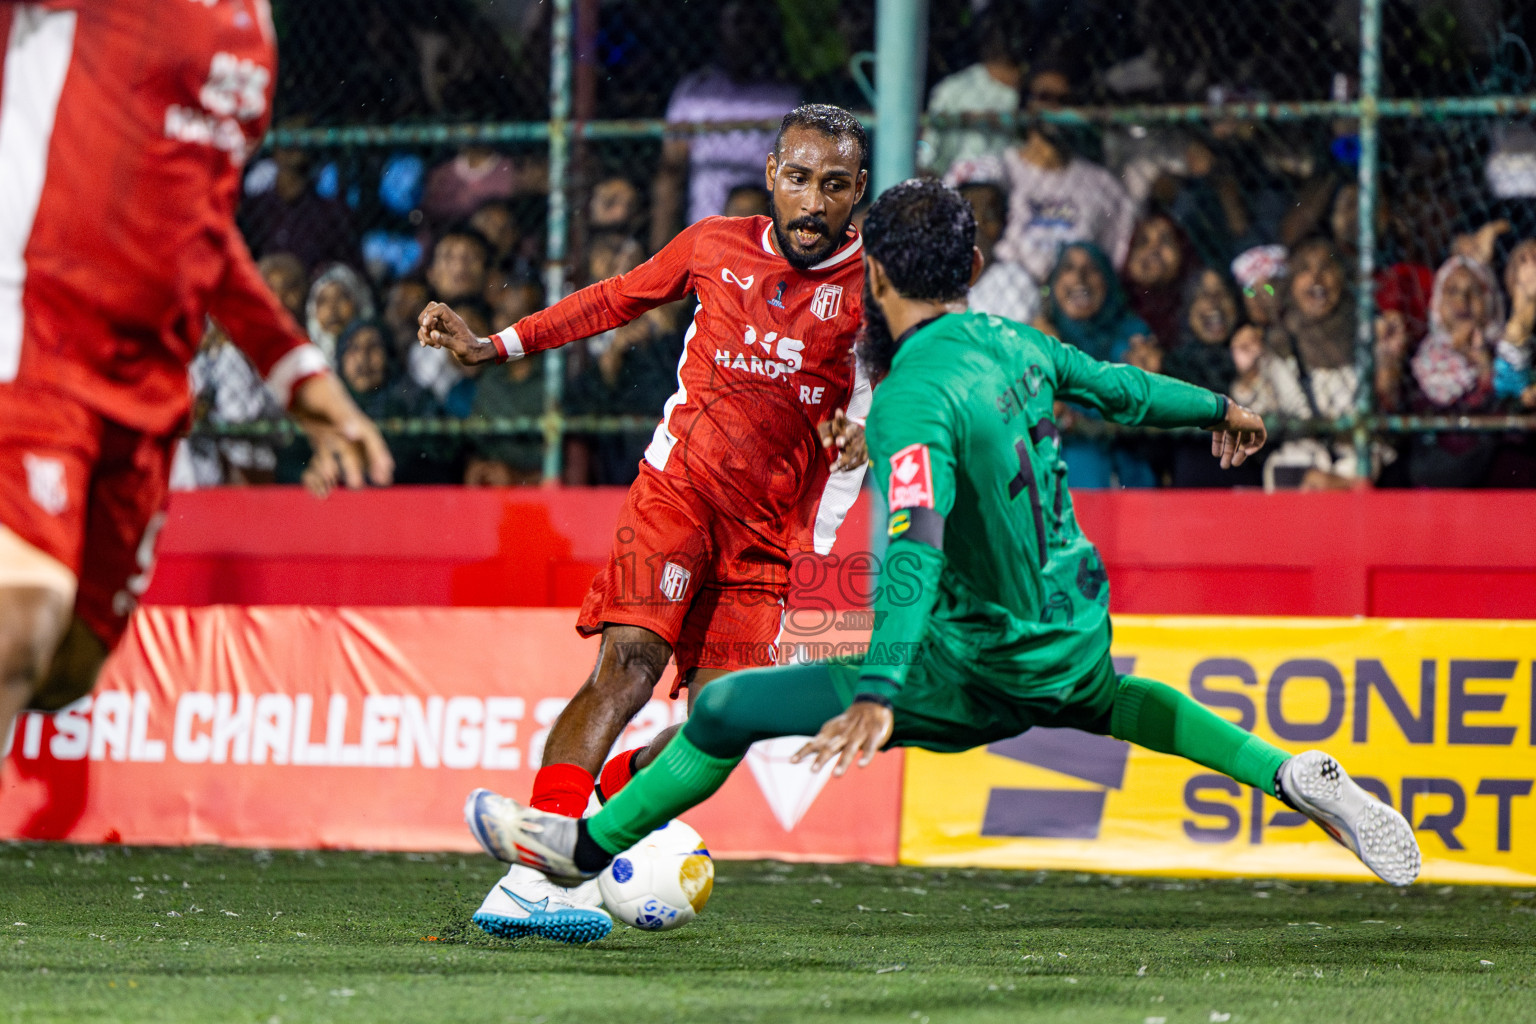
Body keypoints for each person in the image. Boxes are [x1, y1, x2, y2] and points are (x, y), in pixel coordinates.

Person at [463, 179, 1421, 903]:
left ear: (874, 272)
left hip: (974, 665)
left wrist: (881, 691)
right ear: (969, 272)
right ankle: (1287, 772)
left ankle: (577, 851)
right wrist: (1219, 405)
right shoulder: (1018, 341)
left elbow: (915, 548)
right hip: (1073, 624)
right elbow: (1122, 389)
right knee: (1115, 703)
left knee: (724, 715)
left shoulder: (910, 396)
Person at [418, 104, 872, 942]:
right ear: (772, 174)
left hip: (772, 534)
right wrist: (496, 346)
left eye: (833, 186)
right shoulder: (714, 243)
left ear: (857, 193)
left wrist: (866, 451)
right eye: (799, 179)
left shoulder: (878, 290)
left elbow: (917, 393)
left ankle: (598, 799)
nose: (812, 202)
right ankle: (530, 879)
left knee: (721, 727)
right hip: (678, 491)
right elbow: (614, 300)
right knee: (627, 664)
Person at [0, 0, 392, 767]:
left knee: (64, 671)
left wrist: (294, 370)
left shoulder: (253, 28)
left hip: (149, 386)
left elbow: (205, 226)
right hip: (37, 329)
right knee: (21, 623)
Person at [944, 51, 1138, 287]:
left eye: (1066, 101)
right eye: (1045, 97)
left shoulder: (1103, 186)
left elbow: (1111, 262)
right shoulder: (991, 171)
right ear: (1027, 104)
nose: (1055, 108)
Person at [649, 1, 800, 253]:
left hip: (766, 245)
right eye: (739, 21)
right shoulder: (696, 91)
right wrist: (659, 256)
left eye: (757, 22)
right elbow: (670, 175)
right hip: (704, 240)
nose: (748, 31)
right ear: (721, 27)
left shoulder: (788, 98)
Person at [1035, 243, 1156, 489]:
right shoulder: (1040, 337)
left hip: (1126, 466)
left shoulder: (1133, 334)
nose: (1079, 278)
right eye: (1068, 268)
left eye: (1091, 269)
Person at [1163, 270, 1261, 487]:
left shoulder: (1257, 354)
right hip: (1192, 489)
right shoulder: (1173, 366)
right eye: (1202, 295)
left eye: (1222, 294)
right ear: (1187, 310)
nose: (1214, 303)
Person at [959, 182, 1039, 325]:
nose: (978, 223)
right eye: (968, 212)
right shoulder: (930, 276)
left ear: (1003, 226)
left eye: (990, 215)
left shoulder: (1017, 280)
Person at [305, 264, 376, 365]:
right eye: (323, 301)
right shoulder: (306, 362)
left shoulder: (374, 354)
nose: (332, 308)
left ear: (358, 301)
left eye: (341, 297)